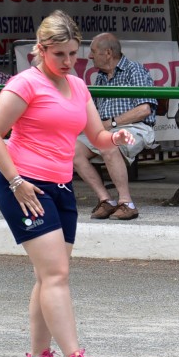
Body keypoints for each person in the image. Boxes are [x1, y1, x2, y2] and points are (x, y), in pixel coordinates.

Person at [0, 11, 133, 357]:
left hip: (61, 186)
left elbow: (97, 136)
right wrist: (16, 181)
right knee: (56, 274)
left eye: (73, 54)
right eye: (60, 55)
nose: (69, 62)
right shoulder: (25, 85)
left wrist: (115, 138)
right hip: (25, 186)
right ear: (40, 50)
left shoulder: (78, 85)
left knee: (47, 275)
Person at [72, 33, 157, 221]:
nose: (90, 56)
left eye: (93, 51)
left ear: (108, 53)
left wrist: (111, 123)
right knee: (72, 149)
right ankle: (106, 200)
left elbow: (144, 109)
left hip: (136, 127)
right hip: (108, 129)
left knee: (108, 144)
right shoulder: (101, 77)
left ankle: (127, 203)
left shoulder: (134, 70)